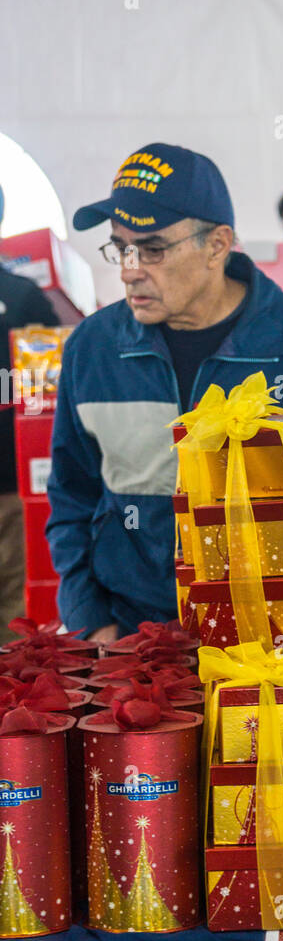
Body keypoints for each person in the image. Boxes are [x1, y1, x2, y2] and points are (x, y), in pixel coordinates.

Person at [47, 143, 283, 643]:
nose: (130, 268)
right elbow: (71, 494)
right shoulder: (93, 349)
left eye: (153, 248)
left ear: (218, 245)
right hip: (138, 643)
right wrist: (92, 620)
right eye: (120, 246)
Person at [0, 183, 60, 640]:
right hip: (11, 485)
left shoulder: (22, 297)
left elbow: (46, 394)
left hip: (10, 485)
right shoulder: (24, 294)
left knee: (13, 601)